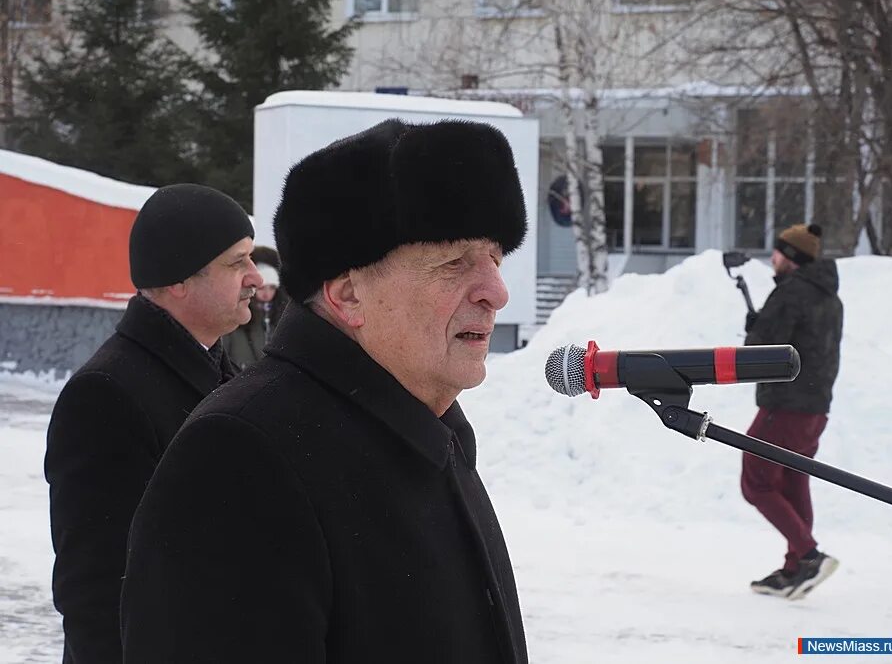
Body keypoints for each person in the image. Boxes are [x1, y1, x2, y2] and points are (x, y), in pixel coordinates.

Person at [121, 119, 529, 663]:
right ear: (347, 294)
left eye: (495, 260)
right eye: (453, 263)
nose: (496, 293)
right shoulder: (241, 459)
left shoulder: (434, 433)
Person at [45, 184, 263, 663]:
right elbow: (96, 592)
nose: (255, 277)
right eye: (236, 262)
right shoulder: (106, 394)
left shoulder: (224, 373)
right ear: (179, 279)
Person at [742, 223, 843, 600]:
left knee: (756, 481)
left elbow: (761, 351)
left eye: (780, 252)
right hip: (816, 409)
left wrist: (756, 329)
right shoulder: (831, 297)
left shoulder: (791, 294)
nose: (774, 257)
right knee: (792, 482)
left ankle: (809, 555)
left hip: (785, 406)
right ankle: (794, 569)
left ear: (794, 258)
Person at [223, 245, 288, 369]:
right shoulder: (233, 321)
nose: (266, 294)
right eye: (262, 288)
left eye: (272, 287)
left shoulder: (283, 319)